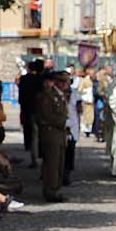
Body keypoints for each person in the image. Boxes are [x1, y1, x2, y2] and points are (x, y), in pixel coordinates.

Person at [37, 69, 73, 203]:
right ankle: (50, 190)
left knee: (59, 163)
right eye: (63, 82)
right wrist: (63, 122)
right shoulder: (48, 96)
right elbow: (47, 115)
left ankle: (56, 188)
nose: (66, 84)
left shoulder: (60, 95)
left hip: (60, 133)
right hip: (51, 132)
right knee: (52, 163)